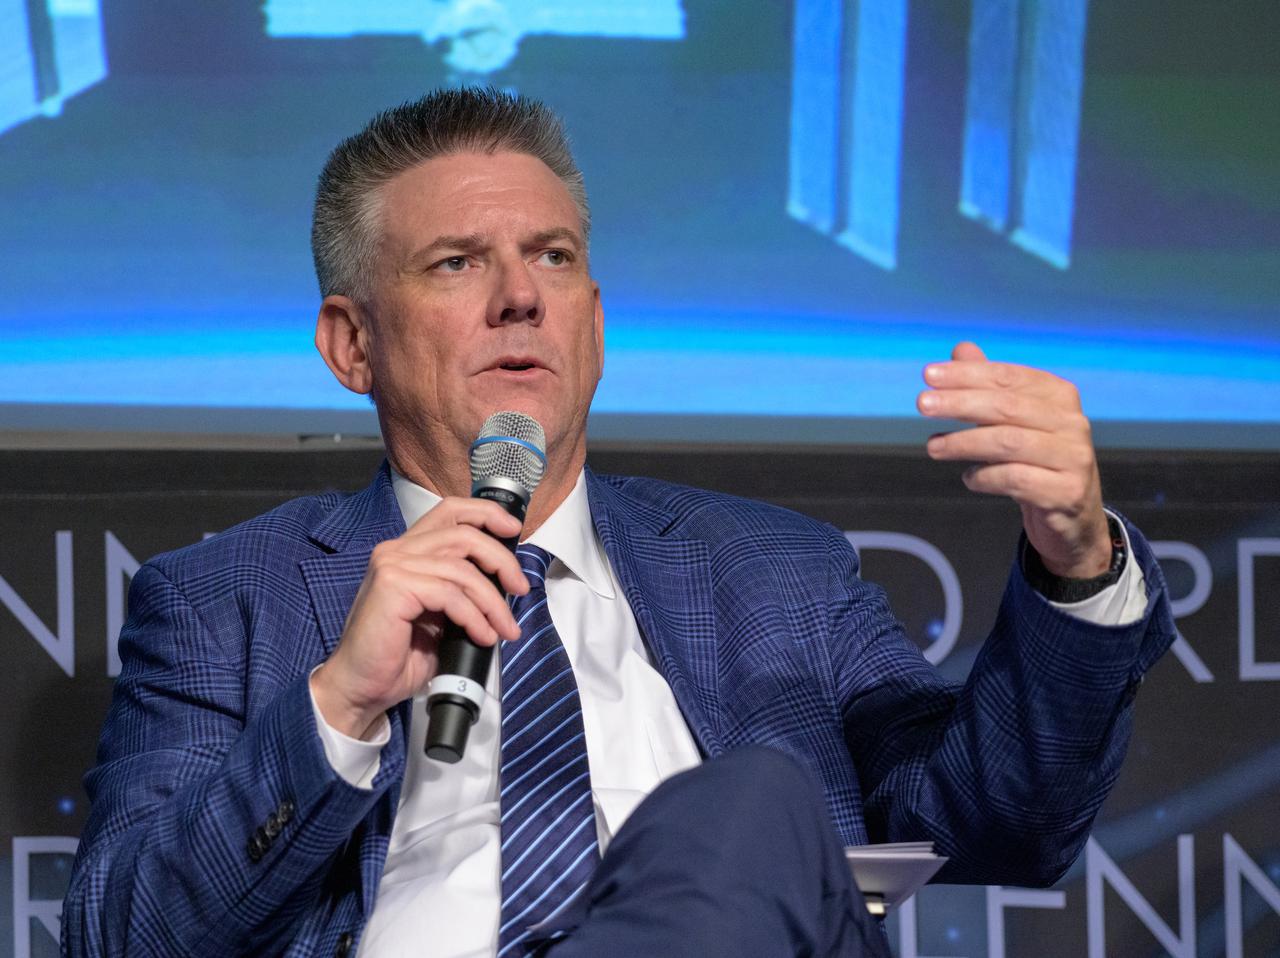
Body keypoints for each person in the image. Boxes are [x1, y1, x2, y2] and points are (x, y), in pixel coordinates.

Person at [63, 87, 1175, 958]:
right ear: (350, 344)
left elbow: (999, 825)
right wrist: (339, 704)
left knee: (749, 807)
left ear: (594, 320)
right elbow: (121, 938)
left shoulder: (776, 572)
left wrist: (1074, 559)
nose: (520, 295)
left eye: (552, 256)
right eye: (457, 263)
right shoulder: (228, 599)